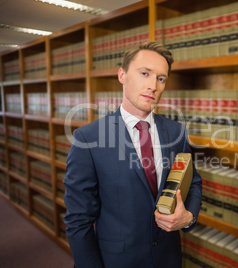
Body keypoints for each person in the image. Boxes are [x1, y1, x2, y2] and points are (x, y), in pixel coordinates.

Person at [63, 41, 202, 268]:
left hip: (169, 258)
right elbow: (78, 221)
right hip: (118, 260)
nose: (153, 86)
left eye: (161, 78)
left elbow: (193, 181)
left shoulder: (176, 132)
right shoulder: (88, 138)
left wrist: (189, 217)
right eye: (144, 73)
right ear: (122, 75)